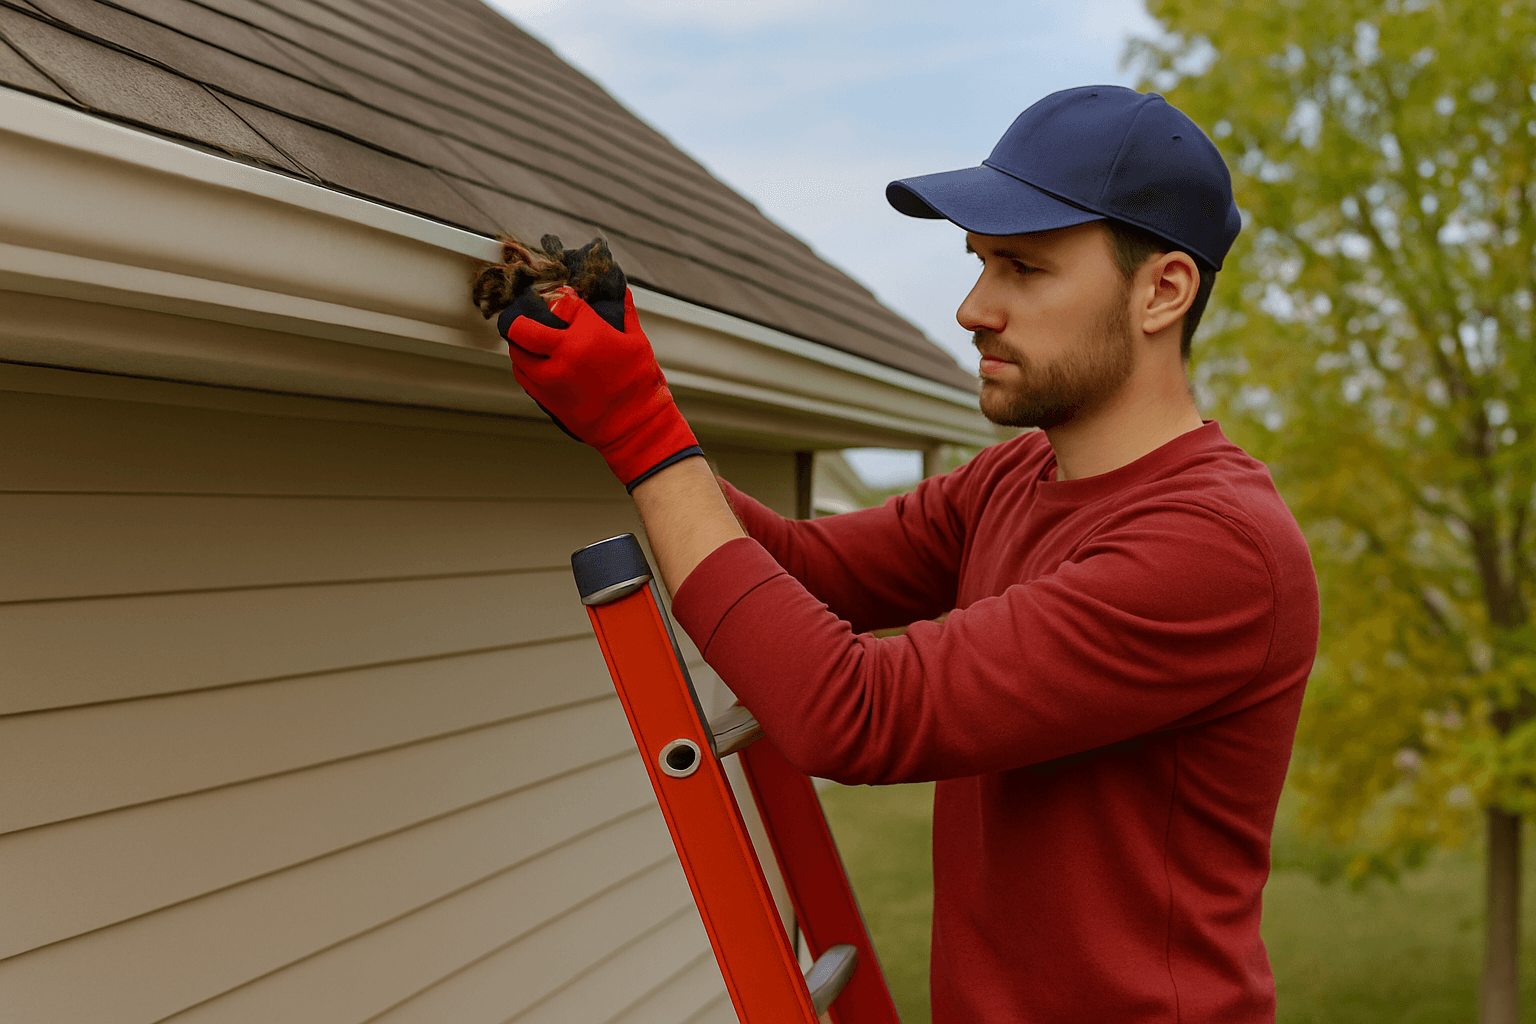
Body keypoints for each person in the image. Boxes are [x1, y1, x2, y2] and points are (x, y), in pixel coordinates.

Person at [496, 85, 1320, 1024]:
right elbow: (800, 570)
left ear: (1162, 291)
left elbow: (857, 714)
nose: (973, 309)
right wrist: (633, 420)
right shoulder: (1015, 478)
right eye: (980, 264)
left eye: (1024, 268)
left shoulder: (1214, 549)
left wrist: (646, 435)